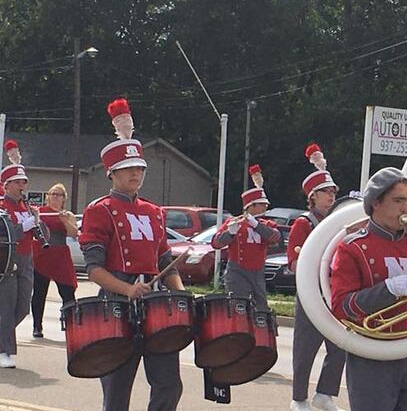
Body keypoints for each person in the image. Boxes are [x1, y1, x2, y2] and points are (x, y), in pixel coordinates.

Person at [79, 98, 185, 411]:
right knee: (117, 389)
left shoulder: (154, 212)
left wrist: (180, 294)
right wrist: (128, 289)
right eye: (127, 169)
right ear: (111, 173)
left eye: (138, 168)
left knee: (169, 384)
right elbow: (95, 269)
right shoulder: (99, 210)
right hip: (116, 303)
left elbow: (165, 259)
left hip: (156, 303)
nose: (135, 174)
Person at [330, 167, 407, 411]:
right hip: (370, 352)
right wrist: (388, 289)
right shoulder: (353, 248)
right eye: (398, 201)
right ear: (376, 202)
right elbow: (342, 306)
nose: (405, 209)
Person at [289, 143, 345, 411]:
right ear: (312, 196)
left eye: (333, 191)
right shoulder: (303, 223)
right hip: (312, 292)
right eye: (325, 191)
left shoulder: (336, 222)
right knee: (305, 349)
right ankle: (298, 398)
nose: (331, 196)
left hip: (333, 292)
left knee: (339, 346)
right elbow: (293, 262)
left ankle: (325, 393)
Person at [0, 139, 45, 368]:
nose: (22, 186)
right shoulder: (2, 207)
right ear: (6, 185)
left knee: (22, 307)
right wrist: (22, 227)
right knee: (6, 306)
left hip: (27, 259)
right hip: (6, 261)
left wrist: (37, 223)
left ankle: (1, 340)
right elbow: (4, 235)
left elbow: (39, 232)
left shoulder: (26, 207)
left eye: (23, 182)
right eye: (17, 182)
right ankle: (4, 351)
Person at [211, 163, 280, 309]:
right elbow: (216, 243)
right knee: (238, 307)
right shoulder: (234, 222)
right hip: (237, 273)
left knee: (261, 308)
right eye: (262, 205)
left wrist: (256, 224)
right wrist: (230, 233)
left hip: (257, 272)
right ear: (251, 206)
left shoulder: (267, 224)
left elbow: (274, 238)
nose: (265, 208)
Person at [31, 183, 79, 338]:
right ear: (47, 197)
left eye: (59, 195)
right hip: (42, 254)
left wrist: (64, 220)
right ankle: (37, 326)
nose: (55, 197)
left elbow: (74, 234)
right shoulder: (40, 212)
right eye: (52, 194)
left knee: (67, 291)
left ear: (64, 198)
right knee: (39, 292)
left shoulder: (68, 215)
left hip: (61, 256)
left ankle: (71, 325)